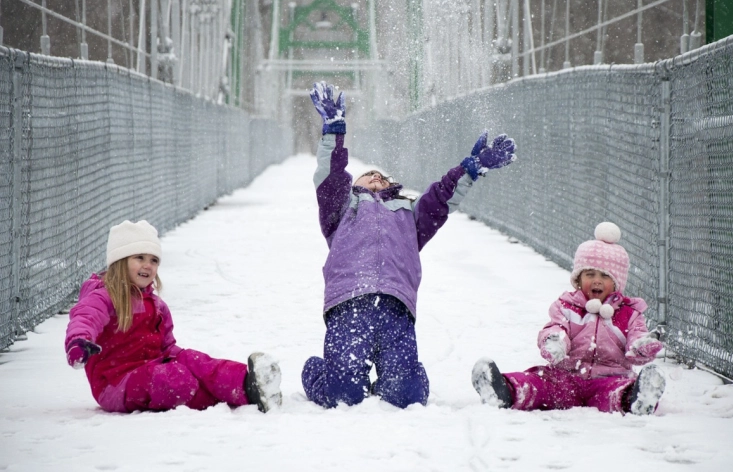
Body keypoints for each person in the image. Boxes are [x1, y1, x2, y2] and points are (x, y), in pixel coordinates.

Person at [301, 81, 517, 409]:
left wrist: (470, 170)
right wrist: (334, 129)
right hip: (349, 305)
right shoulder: (340, 211)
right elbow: (331, 175)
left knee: (407, 396)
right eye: (369, 176)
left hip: (396, 307)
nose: (377, 179)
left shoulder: (409, 216)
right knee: (342, 394)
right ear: (353, 186)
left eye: (384, 178)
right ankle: (318, 371)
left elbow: (442, 198)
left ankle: (400, 378)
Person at [64, 219, 282, 413]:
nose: (148, 265)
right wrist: (78, 342)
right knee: (174, 378)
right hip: (116, 383)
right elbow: (85, 317)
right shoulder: (103, 296)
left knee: (196, 362)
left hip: (151, 367)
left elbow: (166, 347)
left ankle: (248, 384)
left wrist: (189, 361)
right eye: (139, 257)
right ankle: (226, 397)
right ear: (120, 261)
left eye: (154, 260)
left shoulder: (157, 305)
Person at [471, 222, 666, 415]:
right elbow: (555, 327)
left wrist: (643, 346)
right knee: (539, 383)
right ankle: (504, 391)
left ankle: (637, 398)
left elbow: (636, 338)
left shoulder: (629, 313)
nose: (597, 280)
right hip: (565, 377)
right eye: (590, 274)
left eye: (605, 276)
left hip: (608, 378)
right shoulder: (567, 306)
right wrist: (554, 341)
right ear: (579, 279)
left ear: (616, 284)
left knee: (614, 393)